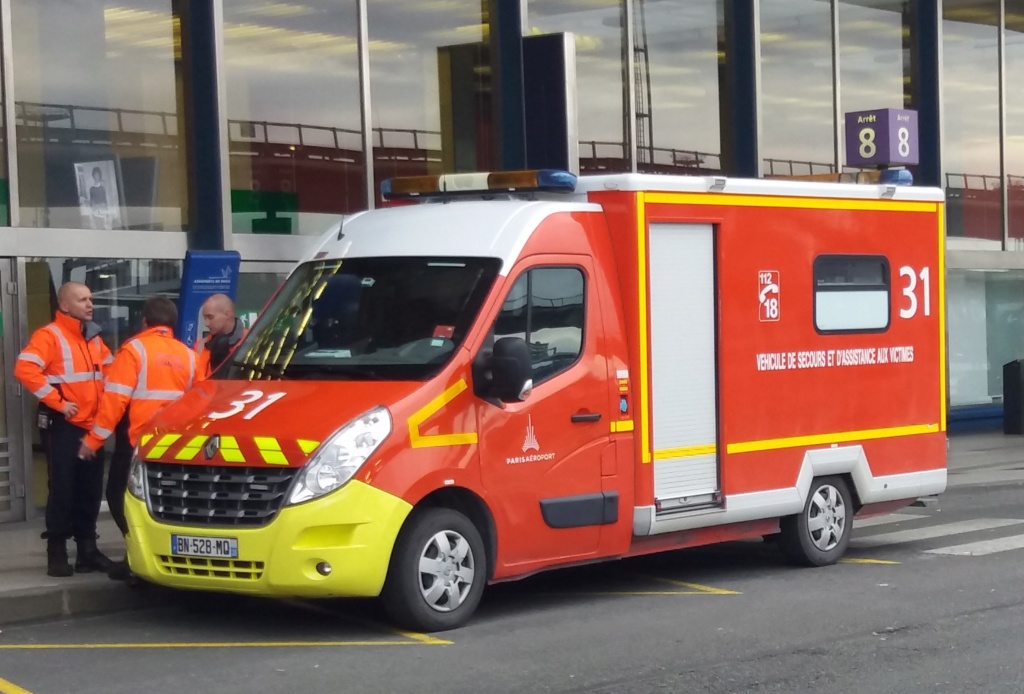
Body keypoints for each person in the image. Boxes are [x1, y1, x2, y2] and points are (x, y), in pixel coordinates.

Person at [79, 297, 197, 581]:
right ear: (172, 323)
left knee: (120, 497)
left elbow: (115, 401)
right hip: (176, 443)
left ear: (144, 322)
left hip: (138, 442)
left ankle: (137, 557)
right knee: (164, 502)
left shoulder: (134, 350)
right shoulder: (189, 355)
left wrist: (94, 440)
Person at [14, 282, 114, 578]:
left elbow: (111, 373)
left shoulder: (93, 338)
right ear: (65, 305)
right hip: (64, 426)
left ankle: (87, 551)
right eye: (82, 299)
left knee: (90, 489)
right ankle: (56, 551)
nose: (90, 304)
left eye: (91, 298)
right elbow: (25, 368)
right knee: (63, 488)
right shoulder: (50, 336)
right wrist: (58, 402)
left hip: (90, 426)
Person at [195, 293, 247, 379]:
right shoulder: (200, 345)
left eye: (210, 317)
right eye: (205, 318)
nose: (206, 323)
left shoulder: (251, 341)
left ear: (227, 314)